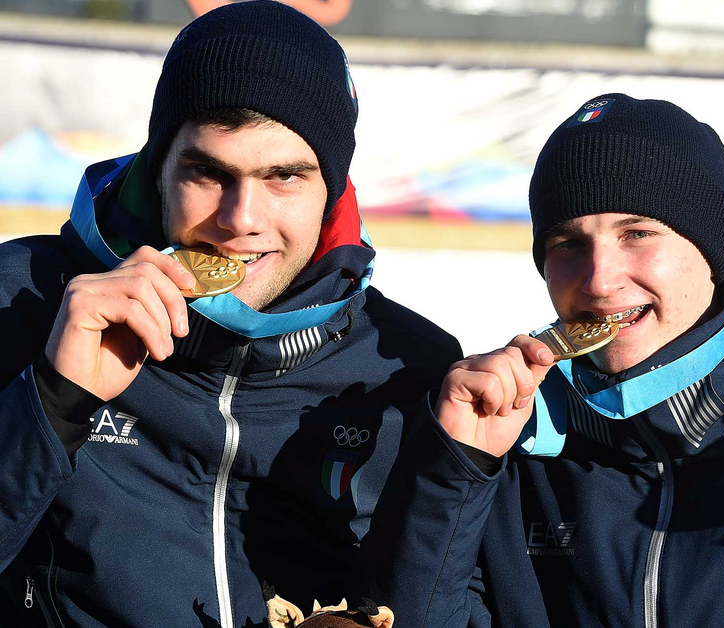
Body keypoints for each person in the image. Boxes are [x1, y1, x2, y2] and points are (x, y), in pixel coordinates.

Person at [0, 2, 461, 626]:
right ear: (158, 167)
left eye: (284, 177)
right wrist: (49, 405)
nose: (240, 220)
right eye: (208, 173)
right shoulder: (21, 301)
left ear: (333, 190)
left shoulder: (410, 369)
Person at [360, 93, 724, 626]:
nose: (598, 280)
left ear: (709, 246)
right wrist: (457, 471)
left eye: (637, 234)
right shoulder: (508, 435)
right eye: (568, 243)